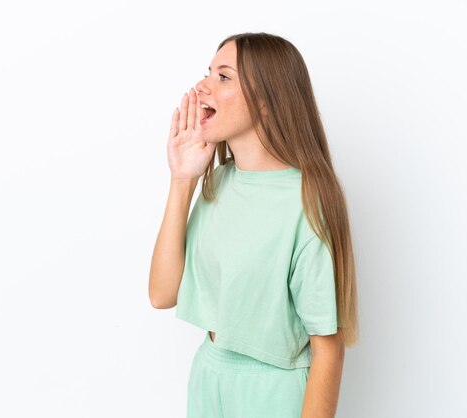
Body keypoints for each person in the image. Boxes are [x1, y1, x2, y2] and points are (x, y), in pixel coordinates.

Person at [149, 32, 359, 418]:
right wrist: (182, 182)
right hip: (209, 377)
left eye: (223, 77)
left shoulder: (306, 200)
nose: (203, 86)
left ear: (267, 98)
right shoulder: (219, 182)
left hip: (273, 394)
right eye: (208, 73)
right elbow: (162, 294)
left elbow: (327, 346)